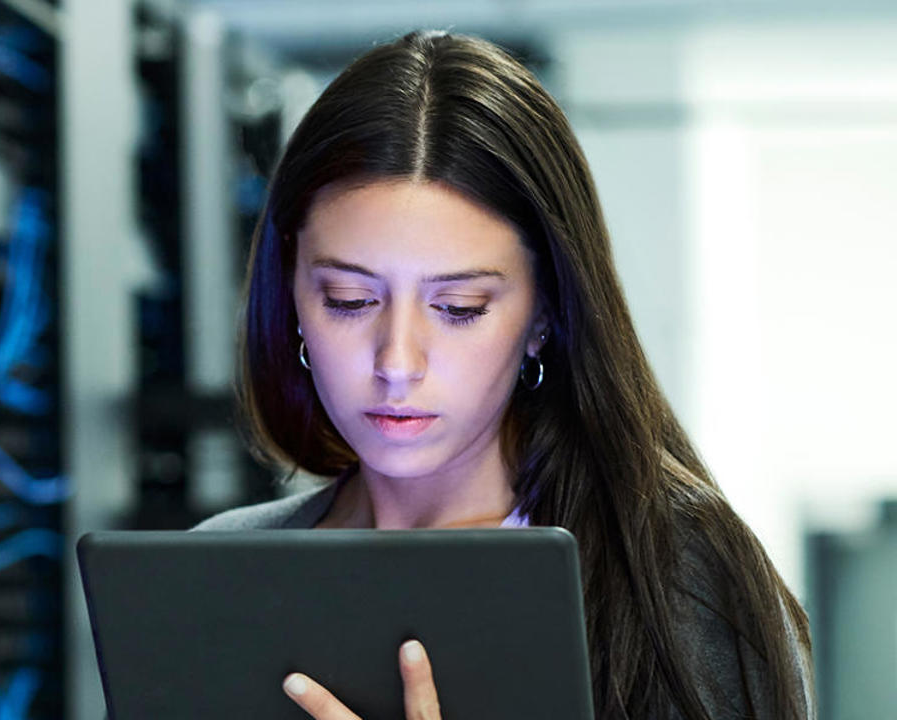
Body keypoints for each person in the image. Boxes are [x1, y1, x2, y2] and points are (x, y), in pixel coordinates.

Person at [193, 30, 815, 720]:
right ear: (292, 298)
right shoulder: (222, 571)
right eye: (350, 300)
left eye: (459, 308)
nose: (397, 361)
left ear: (544, 313)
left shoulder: (677, 585)